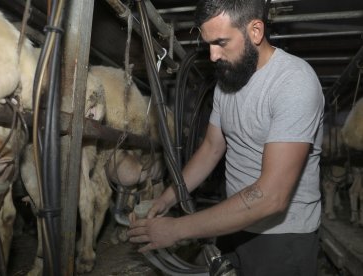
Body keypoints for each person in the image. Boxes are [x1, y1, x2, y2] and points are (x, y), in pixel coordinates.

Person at [127, 0, 325, 275]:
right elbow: (211, 148)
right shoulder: (227, 81)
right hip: (233, 224)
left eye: (221, 42)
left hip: (282, 237)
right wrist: (167, 198)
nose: (212, 56)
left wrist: (177, 229)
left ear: (255, 31)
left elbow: (272, 197)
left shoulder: (294, 83)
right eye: (209, 43)